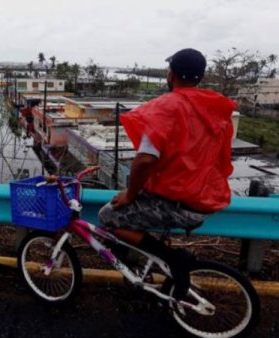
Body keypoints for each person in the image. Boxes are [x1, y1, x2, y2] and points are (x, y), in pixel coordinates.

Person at [98, 48, 236, 299]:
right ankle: (148, 270)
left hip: (179, 202)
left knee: (108, 215)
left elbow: (145, 160)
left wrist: (130, 194)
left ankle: (174, 259)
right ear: (200, 77)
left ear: (171, 74)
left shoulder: (167, 107)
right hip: (205, 198)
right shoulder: (215, 107)